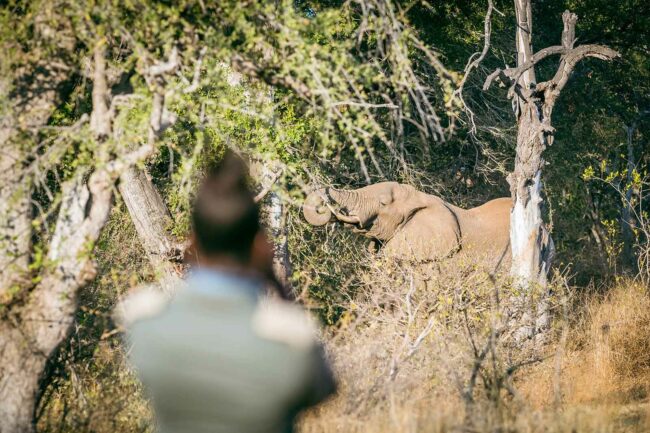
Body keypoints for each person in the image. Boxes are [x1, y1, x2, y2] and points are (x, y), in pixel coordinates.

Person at [117, 151, 336, 433]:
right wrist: (281, 292)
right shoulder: (289, 342)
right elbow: (322, 389)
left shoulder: (144, 324)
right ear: (260, 248)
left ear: (192, 241)